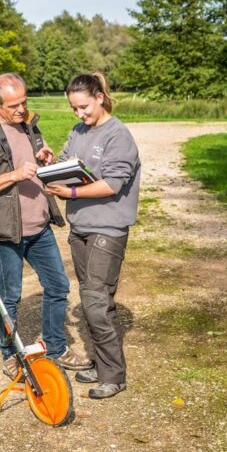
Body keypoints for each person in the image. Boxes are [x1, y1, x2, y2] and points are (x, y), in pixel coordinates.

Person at [0, 73, 92, 379]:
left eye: (24, 102)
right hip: (7, 230)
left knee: (58, 286)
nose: (21, 109)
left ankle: (56, 348)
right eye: (13, 105)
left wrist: (46, 160)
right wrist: (14, 175)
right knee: (9, 296)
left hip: (39, 225)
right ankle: (10, 354)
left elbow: (41, 161)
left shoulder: (30, 124)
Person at [44, 73, 141, 399]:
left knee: (95, 302)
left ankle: (114, 375)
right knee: (93, 299)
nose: (79, 115)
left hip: (107, 229)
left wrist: (70, 192)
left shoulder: (118, 135)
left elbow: (112, 185)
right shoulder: (78, 131)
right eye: (74, 109)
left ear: (100, 97)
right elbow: (65, 161)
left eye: (83, 107)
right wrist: (51, 166)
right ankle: (102, 365)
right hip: (81, 229)